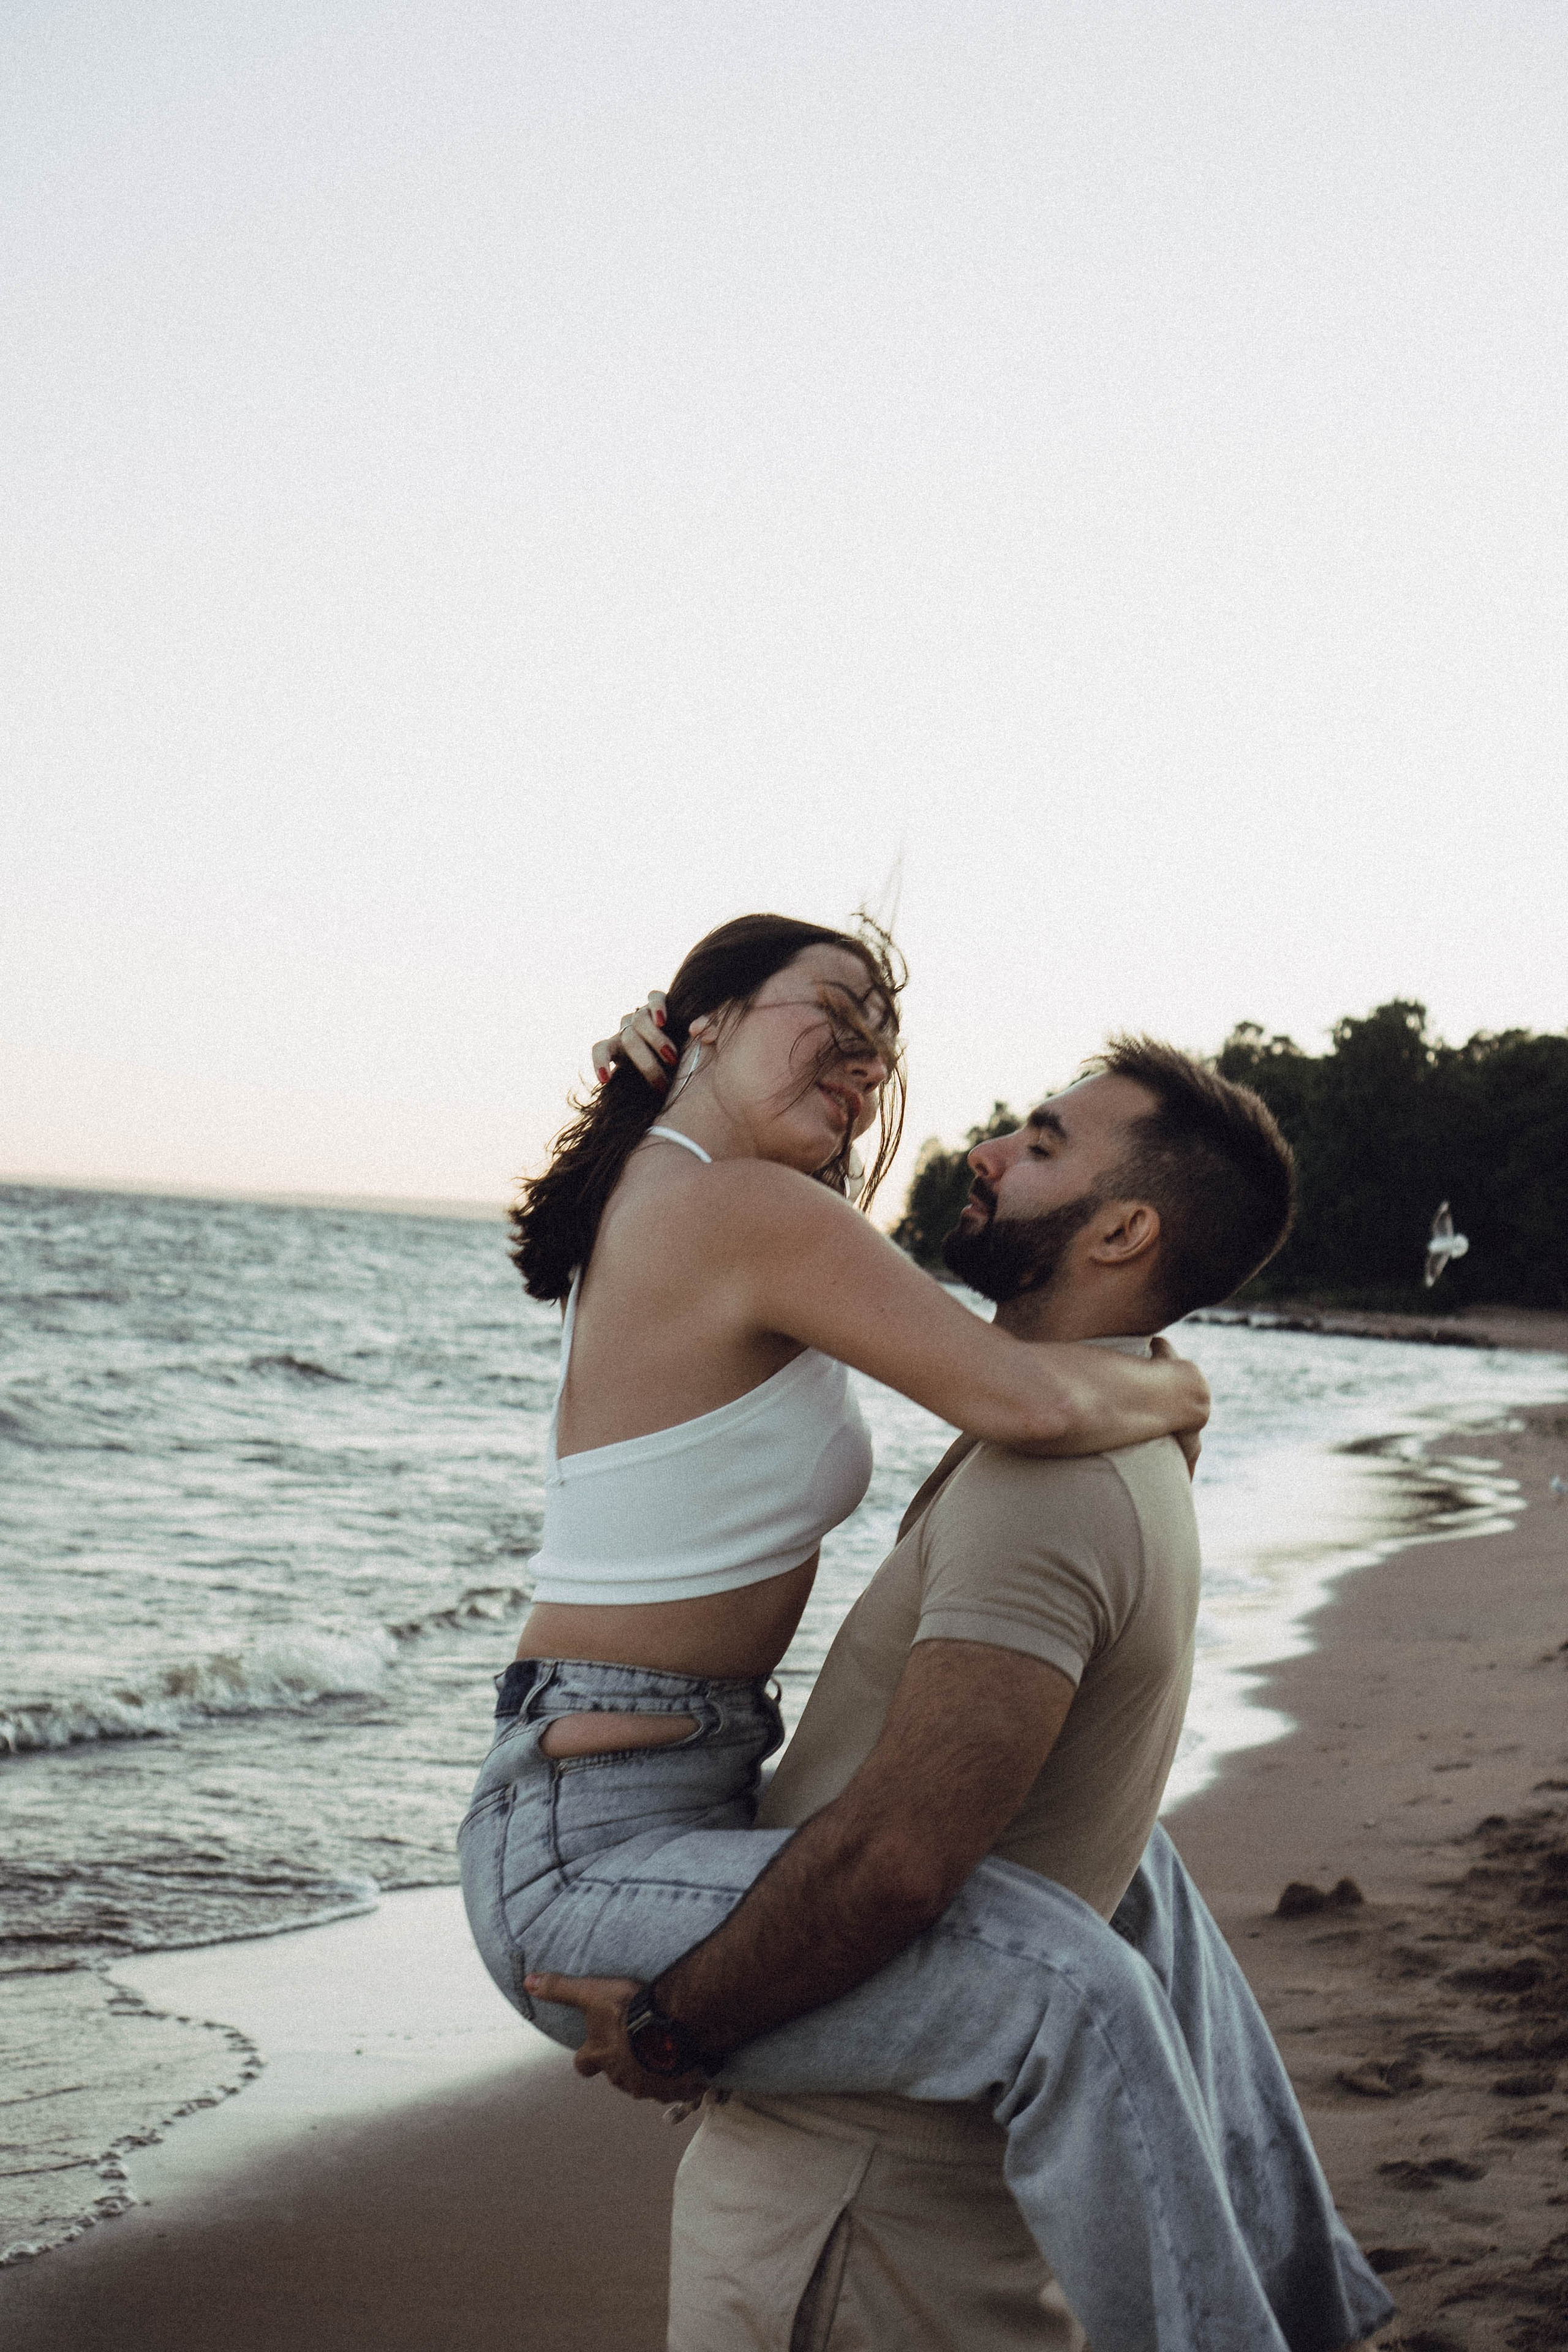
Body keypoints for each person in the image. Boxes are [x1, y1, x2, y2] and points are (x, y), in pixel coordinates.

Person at [458, 914, 1304, 2350]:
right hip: (581, 1844)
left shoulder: (714, 1197)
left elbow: (1017, 1385)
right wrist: (1175, 1388)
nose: (865, 1067)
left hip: (674, 1785)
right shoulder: (736, 1207)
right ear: (707, 1018)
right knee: (1073, 1984)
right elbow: (1023, 1398)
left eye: (881, 1048)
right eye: (834, 1022)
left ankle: (1302, 2295)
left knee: (1126, 1880)